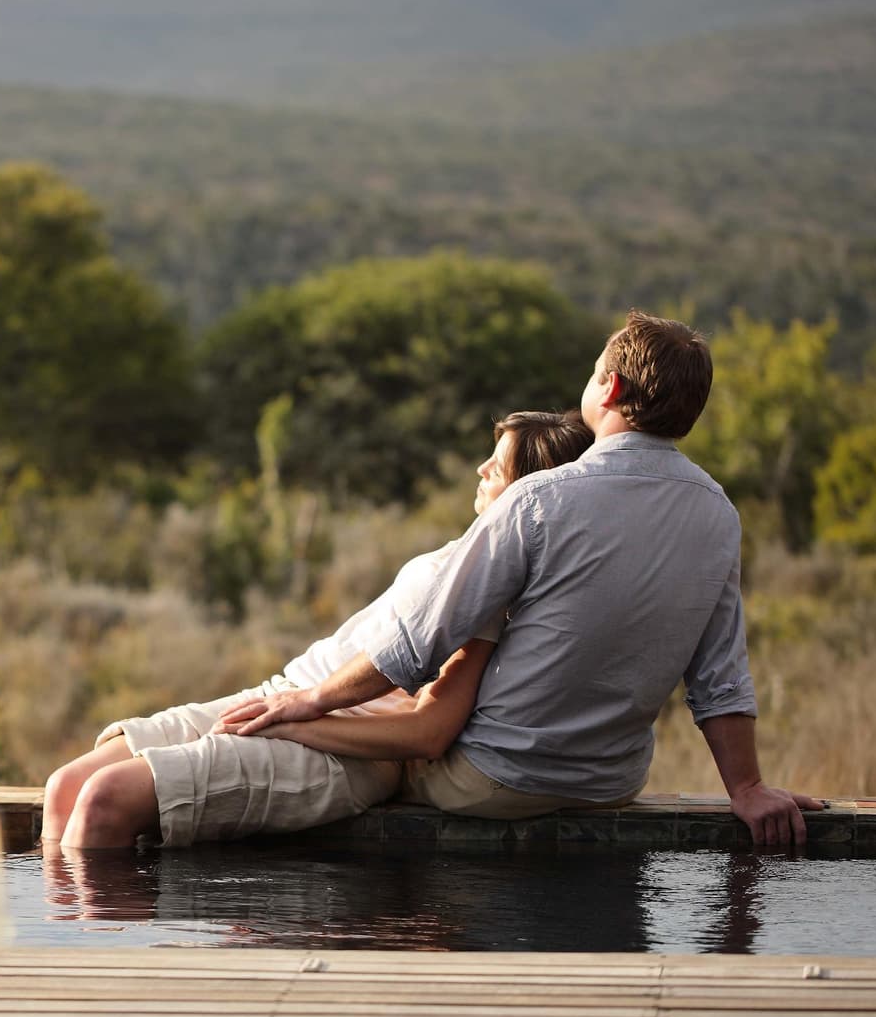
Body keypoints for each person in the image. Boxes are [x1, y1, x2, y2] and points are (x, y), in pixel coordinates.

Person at [218, 311, 822, 848]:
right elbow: (719, 676)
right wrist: (746, 788)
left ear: (609, 388)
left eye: (593, 373)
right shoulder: (717, 512)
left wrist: (312, 699)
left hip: (490, 781)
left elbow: (421, 640)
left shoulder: (538, 500)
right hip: (610, 784)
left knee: (383, 735)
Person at [44, 409, 595, 849]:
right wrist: (283, 707)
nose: (479, 471)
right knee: (65, 787)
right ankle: (51, 970)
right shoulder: (461, 556)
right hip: (285, 696)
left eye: (496, 469)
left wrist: (293, 725)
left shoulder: (492, 595)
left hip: (338, 741)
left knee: (104, 801)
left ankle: (98, 974)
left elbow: (427, 731)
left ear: (528, 495)